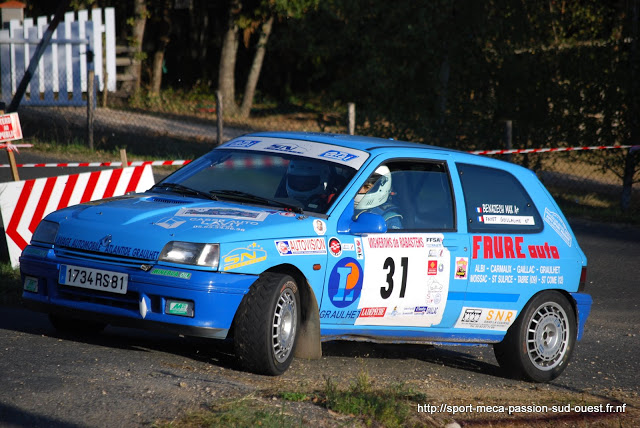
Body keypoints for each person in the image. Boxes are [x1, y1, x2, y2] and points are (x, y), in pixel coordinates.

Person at [354, 165, 402, 229]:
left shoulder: (389, 218)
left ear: (382, 187)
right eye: (358, 186)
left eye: (367, 187)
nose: (359, 190)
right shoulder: (343, 203)